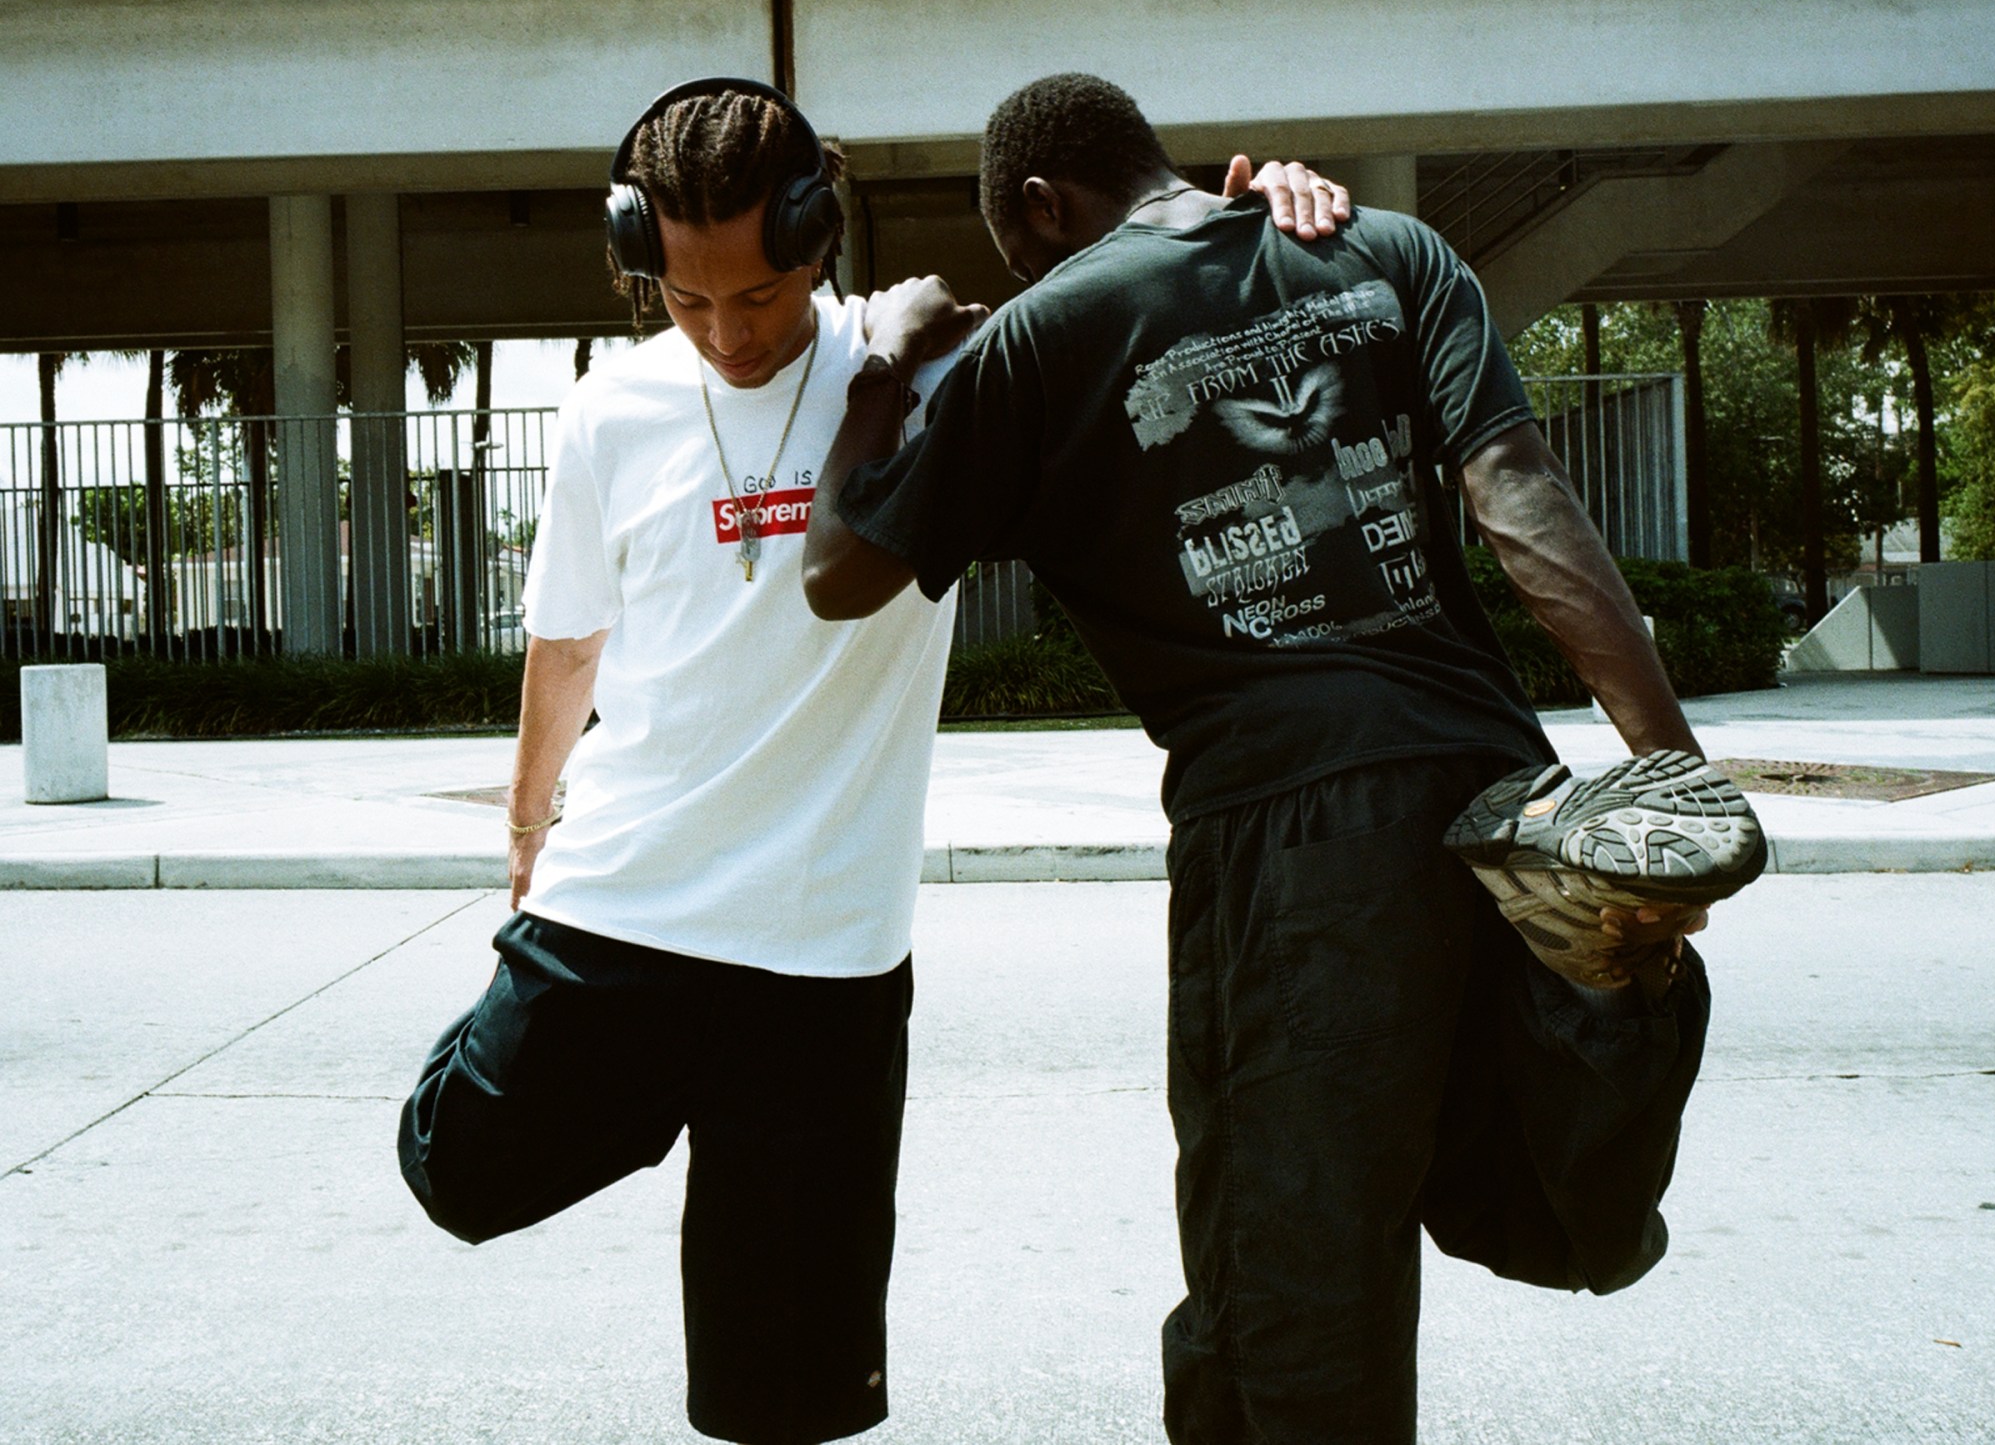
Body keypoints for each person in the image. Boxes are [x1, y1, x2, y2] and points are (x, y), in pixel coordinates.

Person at [395, 75, 1349, 1445]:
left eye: (762, 295)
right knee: (452, 1165)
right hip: (626, 911)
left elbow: (1155, 307)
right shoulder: (611, 408)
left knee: (784, 1402)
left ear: (818, 237)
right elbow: (567, 642)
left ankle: (711, 1101)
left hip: (825, 969)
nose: (728, 330)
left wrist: (1269, 216)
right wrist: (529, 816)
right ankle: (669, 1080)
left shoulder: (935, 372)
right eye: (688, 299)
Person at [802, 72, 1727, 1444]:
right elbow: (1521, 494)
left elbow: (838, 570)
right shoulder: (1380, 245)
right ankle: (1616, 997)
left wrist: (886, 355)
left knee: (1288, 1289)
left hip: (1296, 838)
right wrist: (1672, 776)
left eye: (1022, 248)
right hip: (1493, 786)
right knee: (1502, 1152)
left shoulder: (1041, 339)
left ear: (1044, 208)